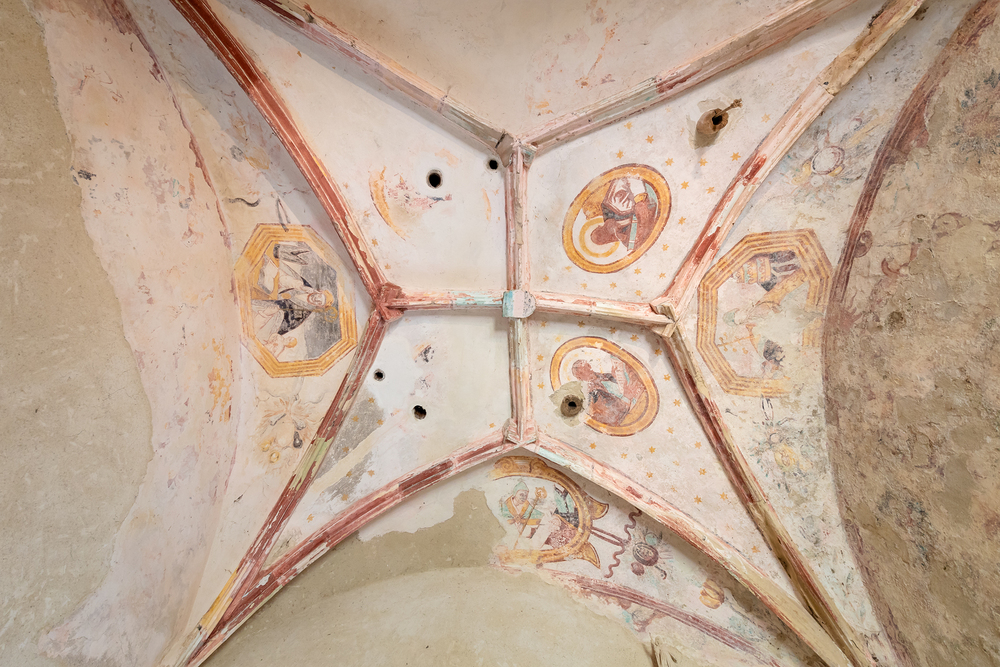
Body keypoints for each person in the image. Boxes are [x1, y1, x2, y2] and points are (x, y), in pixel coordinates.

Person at [589, 177, 658, 253]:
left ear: (600, 226)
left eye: (603, 232)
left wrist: (639, 199)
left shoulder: (611, 202)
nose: (610, 234)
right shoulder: (628, 241)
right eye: (606, 239)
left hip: (652, 187)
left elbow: (627, 177)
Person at [572, 358, 646, 426]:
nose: (589, 369)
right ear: (579, 378)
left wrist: (616, 377)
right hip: (630, 414)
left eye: (587, 366)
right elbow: (612, 415)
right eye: (582, 371)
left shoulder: (606, 376)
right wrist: (627, 398)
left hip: (637, 398)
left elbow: (622, 385)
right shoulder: (593, 393)